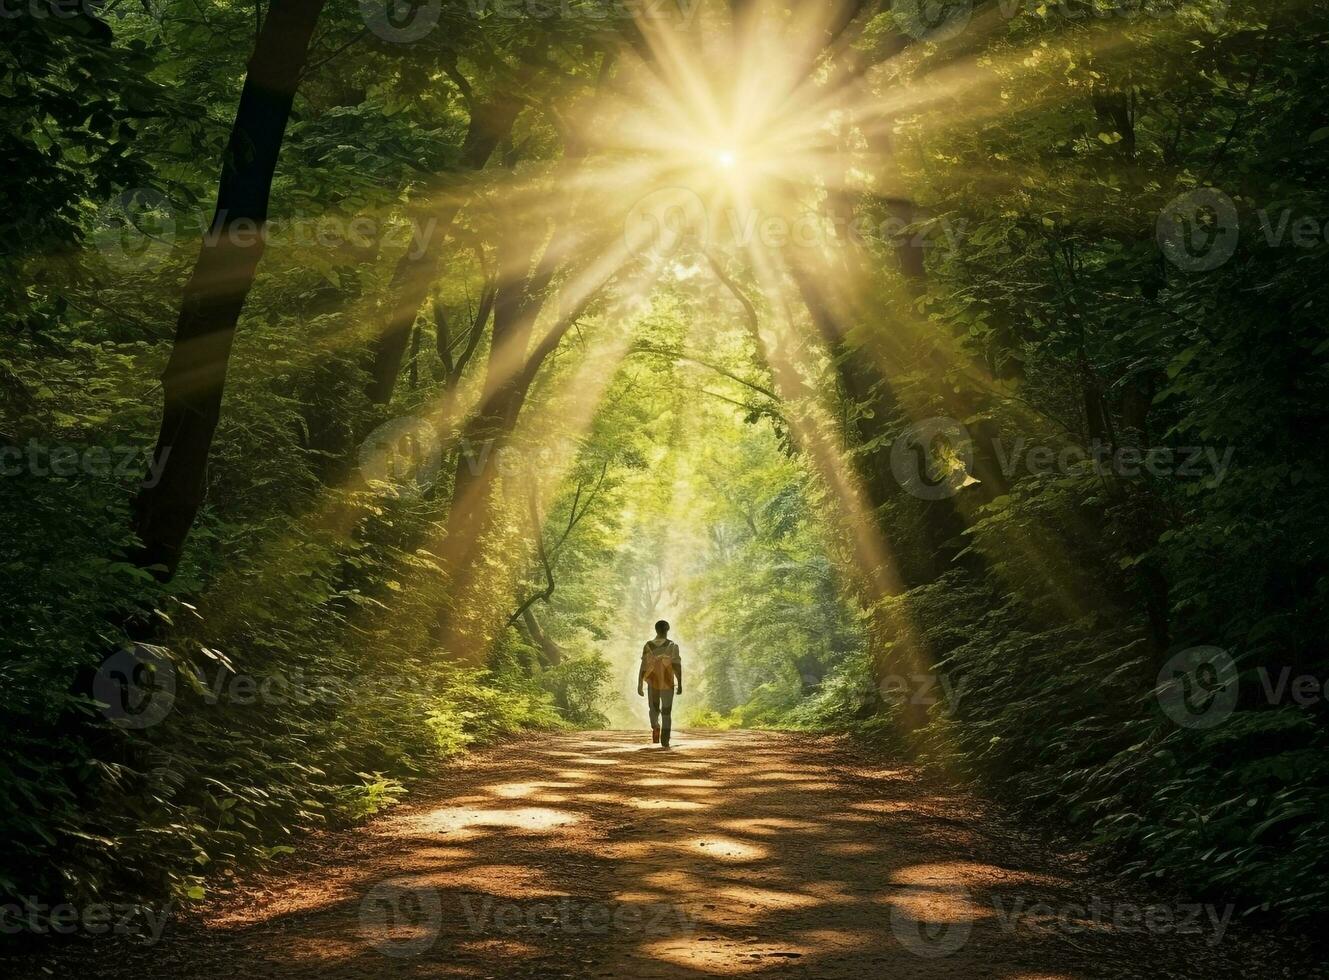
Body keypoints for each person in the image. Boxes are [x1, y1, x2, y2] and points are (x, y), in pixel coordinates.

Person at [637, 620, 682, 748]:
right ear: (667, 630)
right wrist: (680, 683)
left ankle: (655, 725)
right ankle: (665, 741)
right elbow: (677, 666)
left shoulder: (648, 646)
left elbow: (643, 665)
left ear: (656, 630)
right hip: (668, 683)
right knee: (666, 712)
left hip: (652, 683)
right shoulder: (673, 646)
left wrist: (639, 684)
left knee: (654, 709)